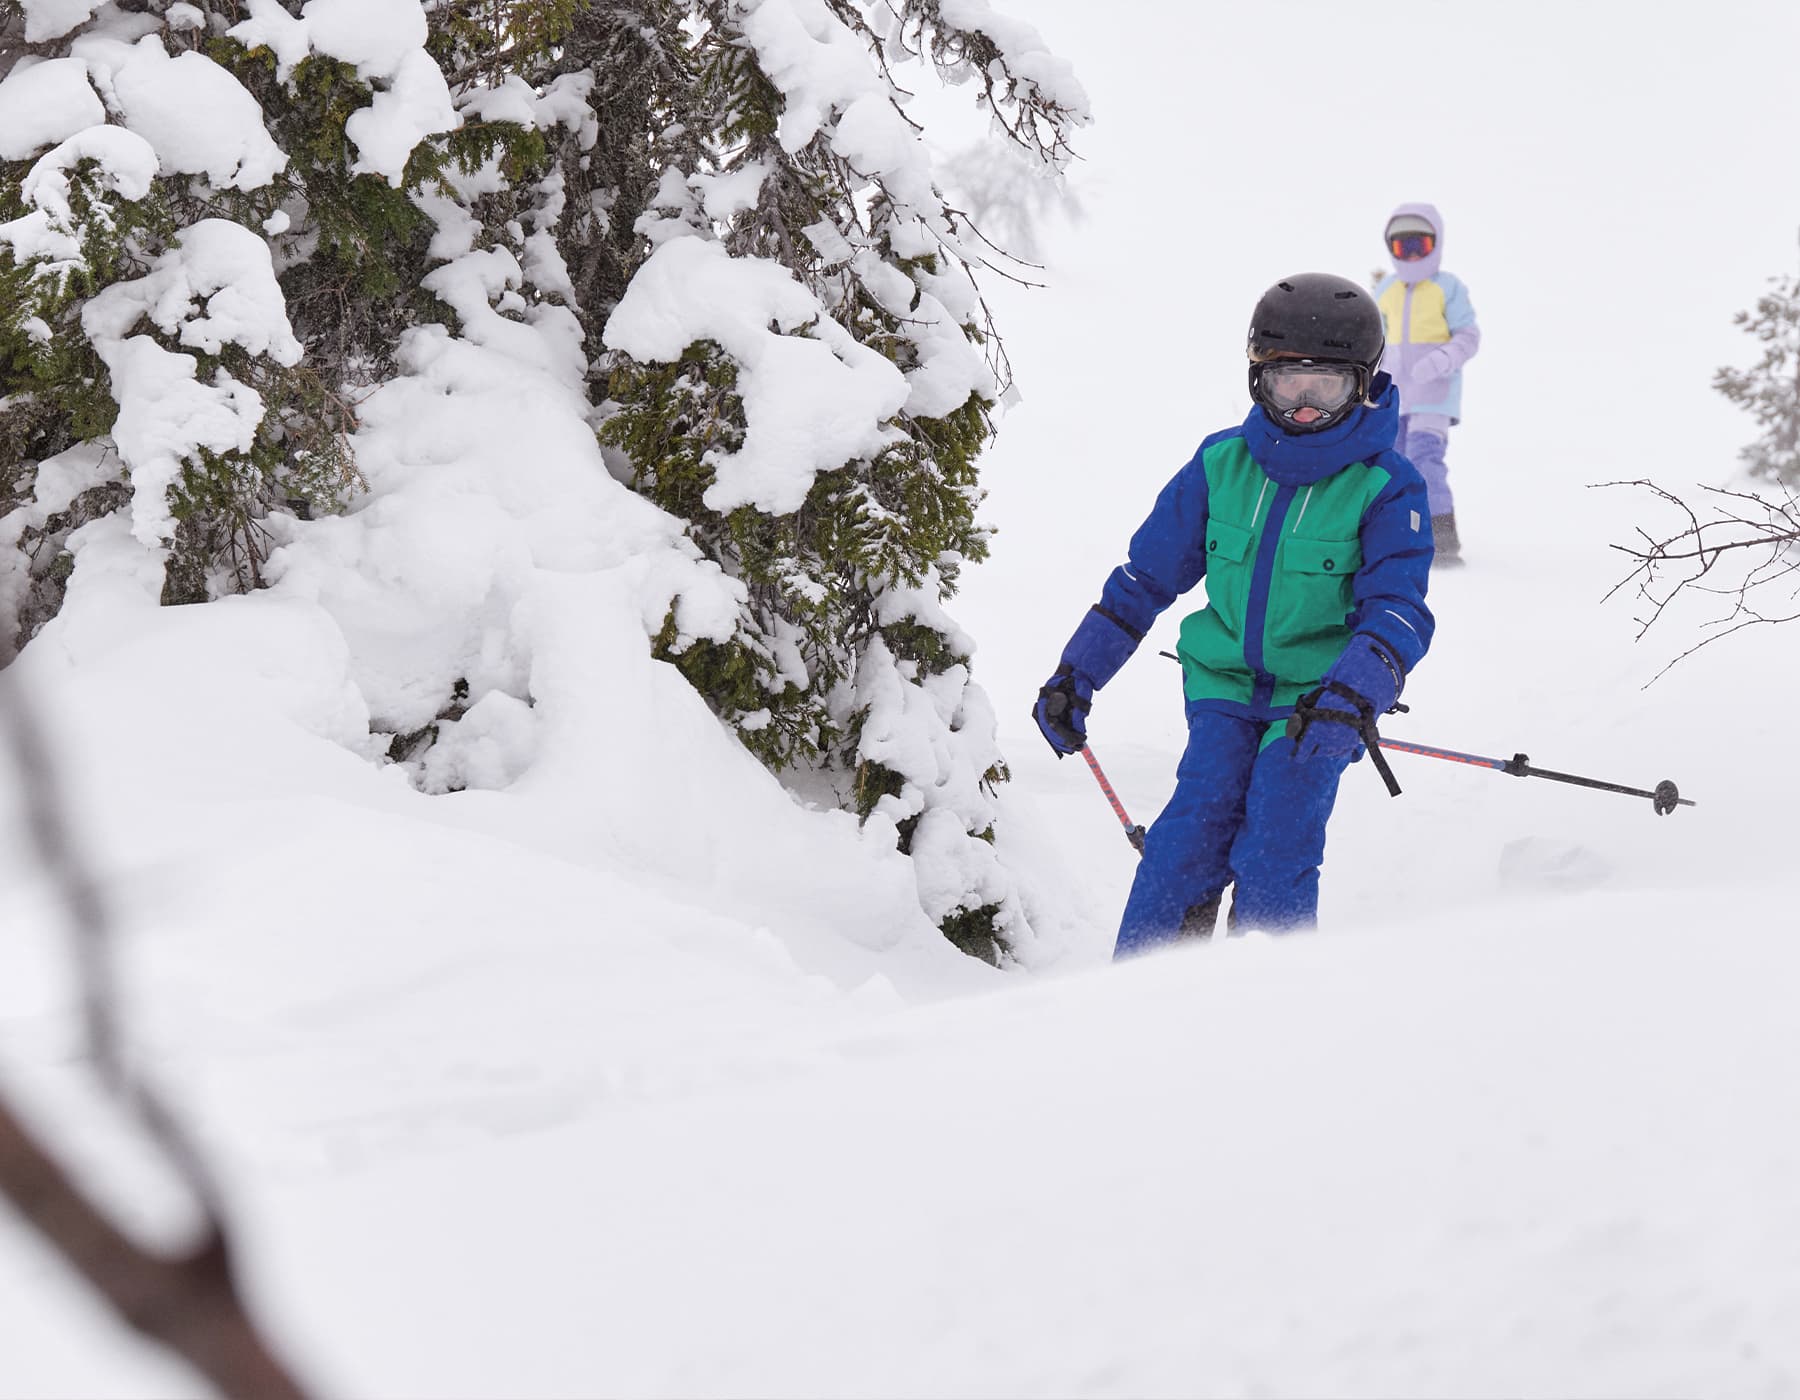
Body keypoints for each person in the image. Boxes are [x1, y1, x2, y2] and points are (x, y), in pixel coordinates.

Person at [1032, 273, 1435, 953]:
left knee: (1278, 839)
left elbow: (1398, 611)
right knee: (1187, 837)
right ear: (1258, 380)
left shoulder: (1387, 486)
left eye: (1326, 387)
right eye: (1288, 385)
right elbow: (1142, 581)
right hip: (1224, 690)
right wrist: (1078, 674)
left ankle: (1263, 1013)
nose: (1304, 408)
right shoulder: (1222, 464)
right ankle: (1143, 993)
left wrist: (1353, 692)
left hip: (1318, 702)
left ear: (1362, 384)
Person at [1373, 202, 1480, 565]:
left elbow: (1468, 335)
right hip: (1397, 397)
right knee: (1396, 466)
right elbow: (1375, 338)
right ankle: (1406, 537)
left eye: (1421, 245)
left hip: (1435, 396)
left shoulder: (1447, 288)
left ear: (1437, 244)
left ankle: (1443, 537)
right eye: (1404, 247)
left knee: (1424, 459)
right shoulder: (1386, 289)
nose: (1413, 255)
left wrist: (1440, 360)